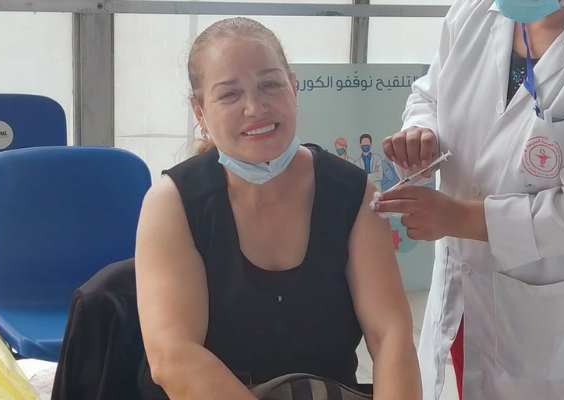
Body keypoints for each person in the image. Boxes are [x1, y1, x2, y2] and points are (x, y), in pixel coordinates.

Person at [375, 0, 564, 399]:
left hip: (552, 310)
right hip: (466, 284)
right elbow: (430, 95)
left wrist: (456, 218)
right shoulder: (473, 12)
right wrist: (421, 132)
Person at [134, 17, 421, 400]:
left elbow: (390, 335)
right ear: (200, 112)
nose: (256, 107)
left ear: (294, 87)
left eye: (270, 85)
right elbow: (174, 358)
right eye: (230, 94)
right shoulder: (172, 203)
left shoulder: (352, 195)